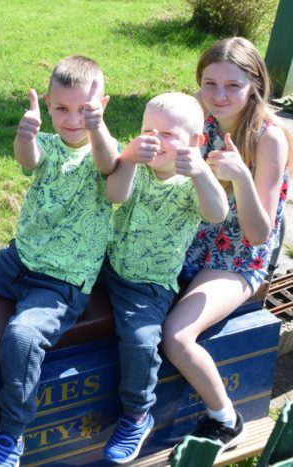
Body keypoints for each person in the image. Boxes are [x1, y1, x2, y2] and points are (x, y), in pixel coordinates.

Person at [0, 55, 119, 467]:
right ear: (50, 106)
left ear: (103, 106)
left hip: (60, 283)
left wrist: (97, 127)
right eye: (62, 109)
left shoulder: (106, 152)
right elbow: (28, 160)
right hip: (16, 261)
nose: (73, 120)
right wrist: (25, 134)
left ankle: (11, 437)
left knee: (22, 337)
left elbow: (109, 166)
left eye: (85, 110)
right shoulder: (52, 146)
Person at [162, 36, 292, 456]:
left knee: (177, 336)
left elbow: (258, 233)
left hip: (237, 257)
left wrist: (240, 176)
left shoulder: (267, 138)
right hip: (189, 236)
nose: (219, 95)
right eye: (208, 83)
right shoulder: (199, 118)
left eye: (232, 85)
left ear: (255, 83)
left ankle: (225, 417)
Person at [98, 92, 228, 464]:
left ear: (196, 142)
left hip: (147, 285)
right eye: (148, 130)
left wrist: (201, 171)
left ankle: (137, 415)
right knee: (55, 282)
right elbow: (115, 194)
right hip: (107, 264)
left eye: (169, 134)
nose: (156, 139)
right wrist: (127, 158)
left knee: (140, 341)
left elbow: (217, 213)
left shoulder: (192, 183)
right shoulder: (137, 164)